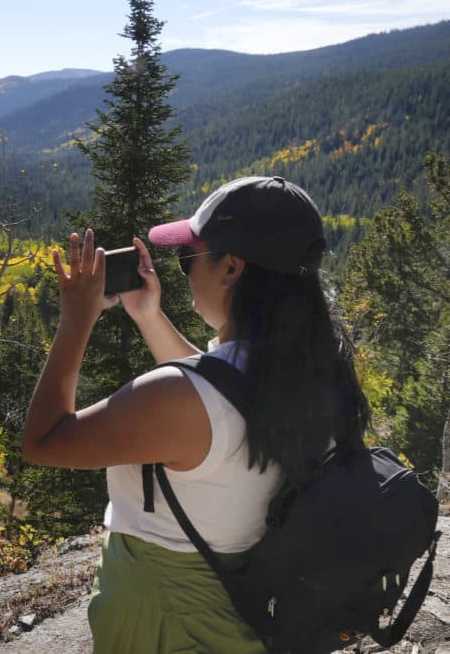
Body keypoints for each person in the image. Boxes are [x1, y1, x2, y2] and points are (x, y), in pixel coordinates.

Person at [22, 176, 370, 653]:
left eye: (188, 258)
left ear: (230, 268)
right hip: (239, 611)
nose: (184, 271)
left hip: (163, 621)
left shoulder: (179, 396)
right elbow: (222, 397)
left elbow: (43, 440)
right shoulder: (315, 367)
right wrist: (149, 316)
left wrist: (75, 319)